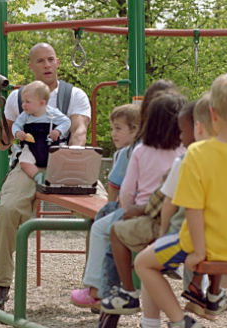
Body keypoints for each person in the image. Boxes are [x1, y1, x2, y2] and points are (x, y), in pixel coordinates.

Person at [134, 72, 227, 328]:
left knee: (143, 263)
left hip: (198, 243)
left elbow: (193, 210)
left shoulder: (197, 154)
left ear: (212, 113)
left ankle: (179, 319)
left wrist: (200, 252)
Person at [0, 42, 92, 310]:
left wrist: (72, 158)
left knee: (101, 211)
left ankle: (95, 286)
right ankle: (1, 285)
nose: (47, 65)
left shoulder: (74, 95)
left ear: (58, 62)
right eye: (40, 61)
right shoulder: (19, 98)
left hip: (63, 161)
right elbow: (5, 143)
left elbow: (79, 130)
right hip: (27, 164)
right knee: (5, 210)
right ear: (31, 66)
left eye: (51, 59)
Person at [71, 92, 186, 314]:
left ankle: (105, 290)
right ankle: (199, 291)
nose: (113, 133)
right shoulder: (186, 150)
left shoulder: (138, 150)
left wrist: (125, 209)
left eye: (118, 128)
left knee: (107, 230)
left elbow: (124, 191)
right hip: (182, 219)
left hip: (145, 216)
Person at [99, 99, 197, 320]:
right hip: (198, 226)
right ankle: (200, 294)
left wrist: (134, 210)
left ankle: (125, 292)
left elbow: (153, 198)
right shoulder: (192, 152)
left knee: (114, 232)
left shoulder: (142, 150)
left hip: (162, 223)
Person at [11, 80, 71, 182]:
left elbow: (67, 121)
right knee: (24, 161)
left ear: (42, 103)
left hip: (51, 145)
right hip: (31, 147)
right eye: (23, 101)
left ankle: (54, 176)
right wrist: (17, 133)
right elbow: (16, 125)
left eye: (27, 101)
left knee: (63, 157)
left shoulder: (52, 113)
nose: (23, 105)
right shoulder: (25, 116)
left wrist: (58, 131)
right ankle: (38, 176)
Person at [106, 104, 141, 202]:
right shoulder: (152, 147)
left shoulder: (127, 153)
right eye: (112, 129)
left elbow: (114, 187)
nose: (113, 134)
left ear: (134, 129)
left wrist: (108, 209)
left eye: (118, 128)